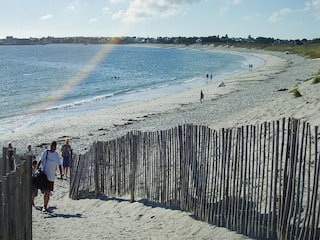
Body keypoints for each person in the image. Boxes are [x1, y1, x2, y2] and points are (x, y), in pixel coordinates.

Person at [37, 141, 63, 212]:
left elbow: (59, 165)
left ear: (55, 147)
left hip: (51, 177)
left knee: (48, 192)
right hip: (45, 175)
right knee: (46, 191)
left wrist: (61, 174)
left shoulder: (56, 155)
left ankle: (45, 205)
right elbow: (40, 160)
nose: (52, 148)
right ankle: (44, 206)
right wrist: (37, 169)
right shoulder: (46, 152)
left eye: (54, 146)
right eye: (52, 146)